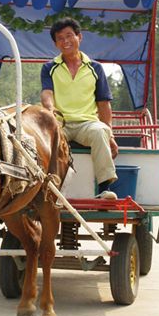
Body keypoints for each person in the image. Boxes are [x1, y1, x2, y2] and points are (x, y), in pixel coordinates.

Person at [40, 17, 119, 199]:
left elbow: (104, 104)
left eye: (69, 36)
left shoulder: (95, 68)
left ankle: (104, 189)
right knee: (45, 138)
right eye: (60, 38)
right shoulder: (49, 67)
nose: (66, 41)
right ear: (56, 44)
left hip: (87, 123)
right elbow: (47, 93)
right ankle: (48, 189)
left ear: (79, 37)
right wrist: (50, 109)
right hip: (61, 122)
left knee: (100, 132)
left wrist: (111, 135)